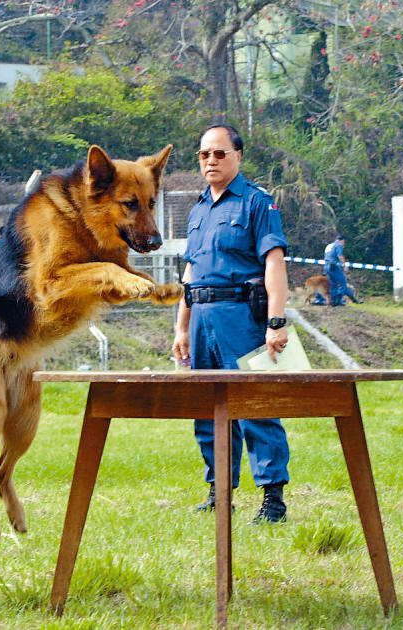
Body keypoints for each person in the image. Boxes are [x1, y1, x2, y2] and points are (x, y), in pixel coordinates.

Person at [171, 124, 291, 524]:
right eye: (204, 154)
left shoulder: (257, 203)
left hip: (243, 316)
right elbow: (191, 271)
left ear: (238, 156)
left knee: (256, 406)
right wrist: (181, 328)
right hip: (202, 318)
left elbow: (274, 262)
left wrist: (277, 321)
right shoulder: (199, 208)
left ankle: (273, 498)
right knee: (207, 409)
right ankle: (218, 491)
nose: (211, 161)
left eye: (220, 153)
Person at [323, 235, 361, 306]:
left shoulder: (329, 245)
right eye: (344, 242)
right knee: (343, 282)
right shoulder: (339, 245)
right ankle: (338, 300)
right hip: (333, 266)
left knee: (333, 284)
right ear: (342, 240)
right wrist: (344, 265)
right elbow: (340, 256)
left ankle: (333, 301)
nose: (344, 243)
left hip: (326, 266)